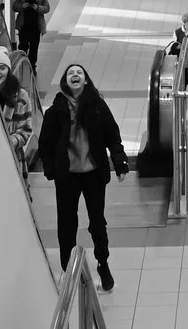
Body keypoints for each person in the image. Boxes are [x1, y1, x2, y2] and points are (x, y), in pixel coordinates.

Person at [37, 63, 128, 290]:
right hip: (67, 175)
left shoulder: (97, 106)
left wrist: (120, 162)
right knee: (66, 223)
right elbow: (45, 142)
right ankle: (68, 268)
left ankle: (103, 263)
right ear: (65, 82)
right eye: (71, 73)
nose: (75, 75)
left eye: (79, 72)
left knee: (97, 222)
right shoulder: (56, 109)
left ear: (86, 80)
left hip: (93, 173)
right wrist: (50, 169)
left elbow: (112, 134)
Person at [0, 45, 38, 176]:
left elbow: (26, 130)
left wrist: (10, 142)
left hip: (12, 158)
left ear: (9, 70)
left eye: (2, 68)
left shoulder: (21, 96)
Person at [14, 0, 50, 73]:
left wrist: (37, 7)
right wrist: (22, 6)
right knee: (23, 46)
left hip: (35, 27)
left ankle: (32, 66)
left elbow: (47, 8)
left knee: (34, 48)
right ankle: (22, 64)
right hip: (24, 26)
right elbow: (14, 6)